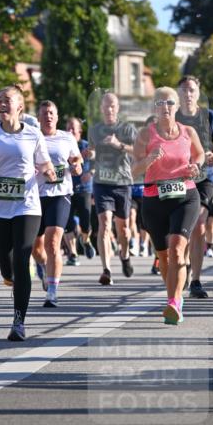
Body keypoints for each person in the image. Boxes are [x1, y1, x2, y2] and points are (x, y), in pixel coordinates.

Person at [0, 85, 56, 340]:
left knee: (21, 258)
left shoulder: (33, 135)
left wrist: (49, 173)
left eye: (7, 100)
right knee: (8, 268)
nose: (1, 104)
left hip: (27, 206)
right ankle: (9, 276)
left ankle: (19, 321)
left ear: (19, 106)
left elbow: (45, 163)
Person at [132, 87, 204, 325]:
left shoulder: (188, 132)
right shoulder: (145, 135)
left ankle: (174, 303)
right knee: (163, 257)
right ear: (155, 107)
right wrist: (148, 160)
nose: (166, 107)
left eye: (170, 102)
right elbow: (133, 170)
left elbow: (200, 155)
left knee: (176, 249)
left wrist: (196, 166)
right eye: (161, 102)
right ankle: (174, 298)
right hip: (154, 199)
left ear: (177, 107)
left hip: (185, 196)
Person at [176, 75, 213, 297]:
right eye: (183, 91)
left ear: (198, 94)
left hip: (204, 178)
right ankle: (183, 265)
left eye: (192, 90)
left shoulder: (210, 117)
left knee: (199, 223)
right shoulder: (171, 119)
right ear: (178, 94)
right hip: (177, 180)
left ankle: (196, 281)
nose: (188, 94)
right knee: (181, 228)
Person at [32, 101, 82, 307]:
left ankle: (52, 291)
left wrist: (77, 165)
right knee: (36, 248)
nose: (48, 117)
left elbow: (77, 161)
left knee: (53, 242)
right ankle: (43, 265)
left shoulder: (67, 137)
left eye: (51, 113)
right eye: (44, 113)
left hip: (60, 194)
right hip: (34, 196)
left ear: (57, 116)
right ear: (38, 117)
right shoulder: (32, 137)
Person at [87, 91, 137, 285]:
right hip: (101, 182)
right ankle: (106, 269)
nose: (109, 109)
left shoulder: (127, 129)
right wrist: (88, 154)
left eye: (112, 106)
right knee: (105, 225)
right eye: (106, 106)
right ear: (101, 109)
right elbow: (91, 152)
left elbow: (139, 150)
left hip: (123, 182)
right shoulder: (94, 130)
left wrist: (119, 144)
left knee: (123, 229)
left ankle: (124, 256)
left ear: (118, 108)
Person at [64, 117, 95, 265]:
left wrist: (91, 172)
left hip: (84, 189)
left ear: (79, 132)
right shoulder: (62, 145)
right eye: (67, 128)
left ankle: (86, 240)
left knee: (85, 222)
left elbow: (97, 161)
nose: (70, 131)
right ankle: (73, 253)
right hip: (66, 189)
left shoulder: (86, 146)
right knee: (67, 223)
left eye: (73, 129)